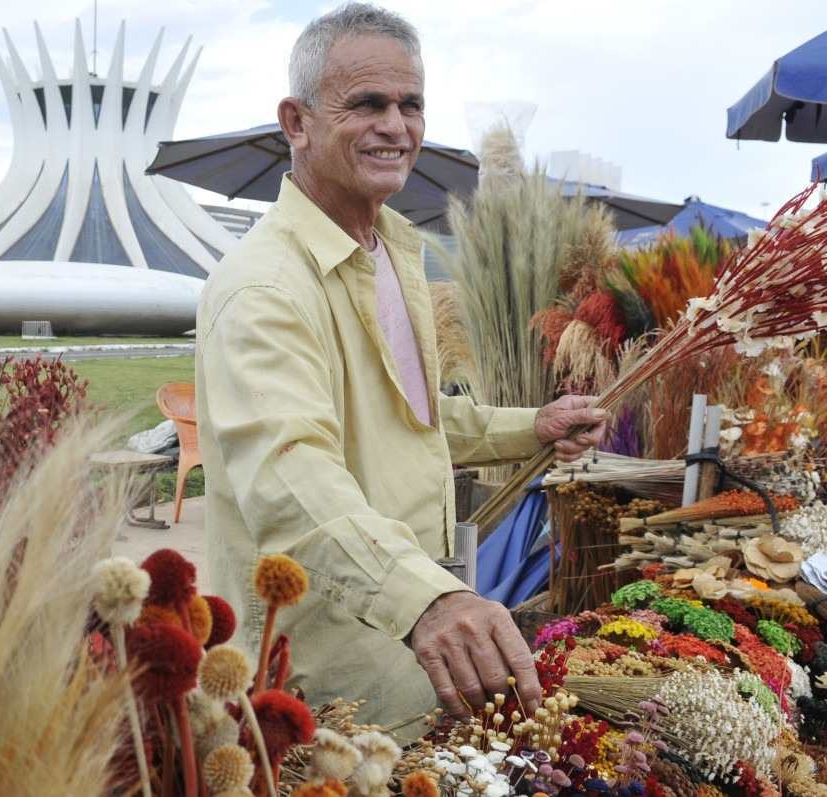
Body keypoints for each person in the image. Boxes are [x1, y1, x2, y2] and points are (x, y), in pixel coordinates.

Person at [194, 2, 608, 733]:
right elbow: (292, 478)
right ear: (297, 121)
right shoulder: (264, 288)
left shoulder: (392, 251)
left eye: (410, 104)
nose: (397, 125)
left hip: (405, 656)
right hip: (321, 679)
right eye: (367, 104)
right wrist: (429, 599)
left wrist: (530, 425)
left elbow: (408, 417)